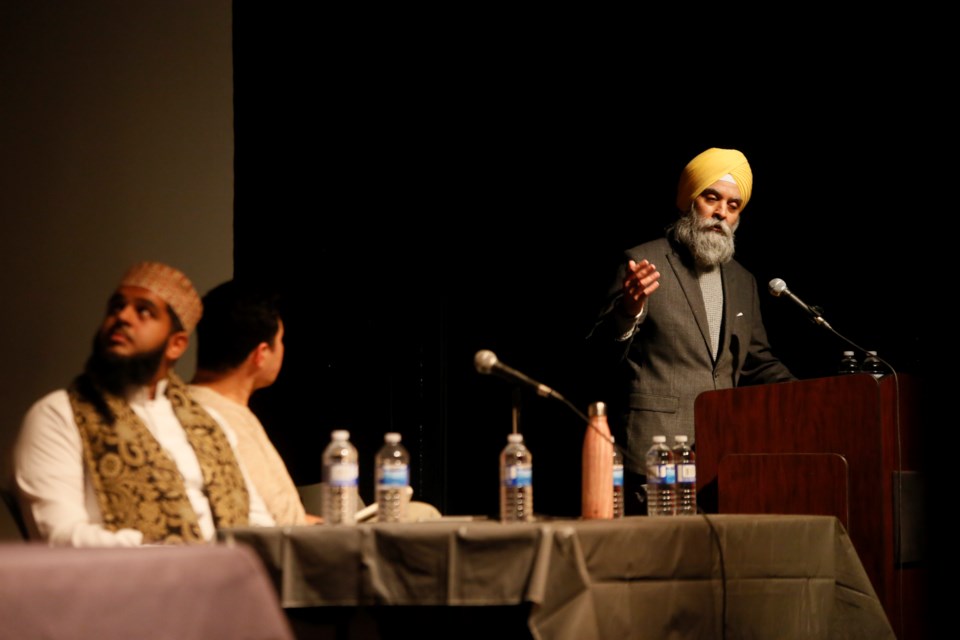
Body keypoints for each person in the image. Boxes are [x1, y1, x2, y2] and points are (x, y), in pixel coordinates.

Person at [586, 147, 795, 514]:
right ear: (689, 201)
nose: (721, 212)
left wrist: (810, 393)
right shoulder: (643, 261)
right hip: (655, 456)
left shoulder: (743, 280)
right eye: (711, 198)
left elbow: (757, 363)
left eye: (733, 205)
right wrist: (629, 309)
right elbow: (598, 353)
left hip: (722, 455)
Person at [13, 262, 275, 546]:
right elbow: (59, 538)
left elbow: (257, 521)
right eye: (116, 307)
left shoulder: (211, 425)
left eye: (144, 311)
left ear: (176, 345)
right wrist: (161, 554)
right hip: (127, 583)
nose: (123, 316)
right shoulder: (58, 414)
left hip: (226, 580)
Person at [189, 280, 319, 525]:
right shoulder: (213, 418)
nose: (282, 349)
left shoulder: (225, 409)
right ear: (261, 354)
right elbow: (275, 523)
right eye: (280, 341)